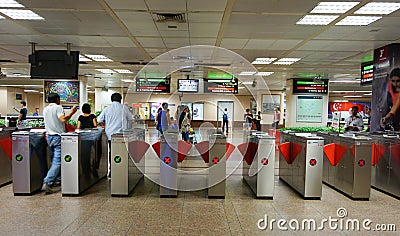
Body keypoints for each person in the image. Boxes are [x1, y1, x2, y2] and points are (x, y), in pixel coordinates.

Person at [41, 93, 77, 194]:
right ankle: (47, 182)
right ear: (57, 99)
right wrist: (72, 112)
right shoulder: (58, 107)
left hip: (49, 137)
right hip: (58, 137)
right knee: (58, 161)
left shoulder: (45, 109)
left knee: (54, 160)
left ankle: (58, 180)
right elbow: (63, 119)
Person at [97, 93, 133, 178]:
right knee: (122, 153)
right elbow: (131, 119)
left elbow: (99, 119)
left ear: (111, 99)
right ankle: (121, 170)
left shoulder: (107, 109)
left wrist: (107, 122)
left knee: (112, 152)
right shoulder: (124, 108)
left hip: (110, 135)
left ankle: (112, 171)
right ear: (120, 100)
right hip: (122, 135)